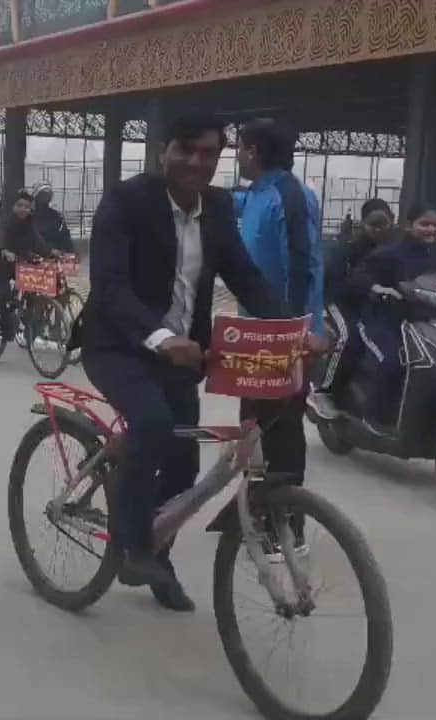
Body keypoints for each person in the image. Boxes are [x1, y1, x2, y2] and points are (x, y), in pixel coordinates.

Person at [75, 115, 284, 611]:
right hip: (118, 345)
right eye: (185, 150)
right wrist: (162, 336)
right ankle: (131, 546)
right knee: (152, 424)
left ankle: (158, 555)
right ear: (163, 151)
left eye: (207, 153)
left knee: (183, 459)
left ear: (220, 158)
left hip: (182, 355)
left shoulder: (217, 207)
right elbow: (110, 287)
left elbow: (244, 275)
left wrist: (292, 327)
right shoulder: (125, 202)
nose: (195, 162)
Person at [232, 118, 324, 508]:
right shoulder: (257, 194)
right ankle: (254, 503)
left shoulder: (290, 195)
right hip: (254, 334)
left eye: (238, 148)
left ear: (252, 151)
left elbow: (301, 268)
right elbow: (229, 201)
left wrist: (300, 331)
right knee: (252, 423)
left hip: (284, 336)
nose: (235, 156)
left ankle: (288, 516)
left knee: (283, 428)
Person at [348, 201, 436, 433]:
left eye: (435, 225)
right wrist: (380, 290)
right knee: (392, 361)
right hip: (383, 321)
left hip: (425, 323)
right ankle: (372, 416)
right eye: (424, 224)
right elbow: (359, 278)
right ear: (409, 225)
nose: (430, 230)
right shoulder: (389, 254)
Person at [310, 198, 398, 418]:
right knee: (347, 338)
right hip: (340, 301)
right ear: (362, 224)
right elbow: (338, 282)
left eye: (383, 223)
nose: (379, 229)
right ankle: (324, 391)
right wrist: (367, 289)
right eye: (373, 224)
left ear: (393, 221)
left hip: (374, 304)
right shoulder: (347, 248)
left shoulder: (397, 248)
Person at [0, 190, 56, 338]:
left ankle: (28, 321)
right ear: (13, 207)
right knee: (4, 293)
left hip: (19, 261)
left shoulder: (30, 223)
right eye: (20, 205)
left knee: (32, 286)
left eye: (27, 206)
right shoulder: (5, 221)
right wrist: (4, 250)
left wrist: (50, 252)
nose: (23, 209)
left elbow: (38, 242)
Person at [31, 182, 74, 254]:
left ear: (50, 197)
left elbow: (65, 238)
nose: (44, 197)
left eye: (47, 195)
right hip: (33, 255)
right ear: (36, 196)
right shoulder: (28, 216)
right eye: (42, 194)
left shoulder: (57, 216)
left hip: (55, 256)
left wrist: (65, 252)